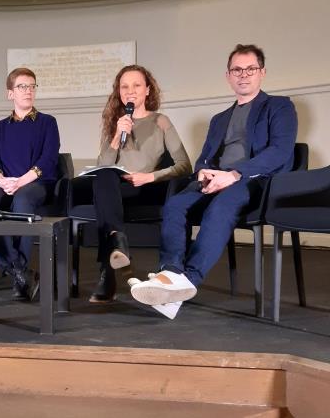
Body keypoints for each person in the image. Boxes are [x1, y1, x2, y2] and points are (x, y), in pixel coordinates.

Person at [129, 44, 298, 319]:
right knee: (174, 205)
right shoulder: (219, 119)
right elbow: (204, 158)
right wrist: (204, 173)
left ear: (262, 73)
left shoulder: (279, 107)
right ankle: (170, 274)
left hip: (254, 181)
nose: (243, 75)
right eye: (237, 70)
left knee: (222, 205)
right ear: (228, 76)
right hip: (216, 179)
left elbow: (280, 152)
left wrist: (233, 174)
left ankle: (189, 280)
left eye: (250, 69)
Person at [88, 65, 192, 303]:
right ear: (119, 92)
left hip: (149, 187)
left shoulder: (160, 121)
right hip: (119, 189)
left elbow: (184, 165)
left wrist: (149, 176)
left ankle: (108, 275)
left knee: (102, 198)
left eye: (136, 85)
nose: (130, 91)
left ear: (147, 90)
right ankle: (118, 240)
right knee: (103, 176)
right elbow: (103, 164)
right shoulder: (116, 123)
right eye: (124, 86)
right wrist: (116, 135)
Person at [0, 67, 60, 300]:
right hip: (5, 182)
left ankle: (18, 269)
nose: (28, 91)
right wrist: (1, 180)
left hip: (35, 183)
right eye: (22, 86)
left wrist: (21, 181)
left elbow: (49, 158)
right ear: (10, 93)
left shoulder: (47, 122)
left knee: (23, 199)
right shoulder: (0, 127)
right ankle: (19, 270)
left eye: (32, 86)